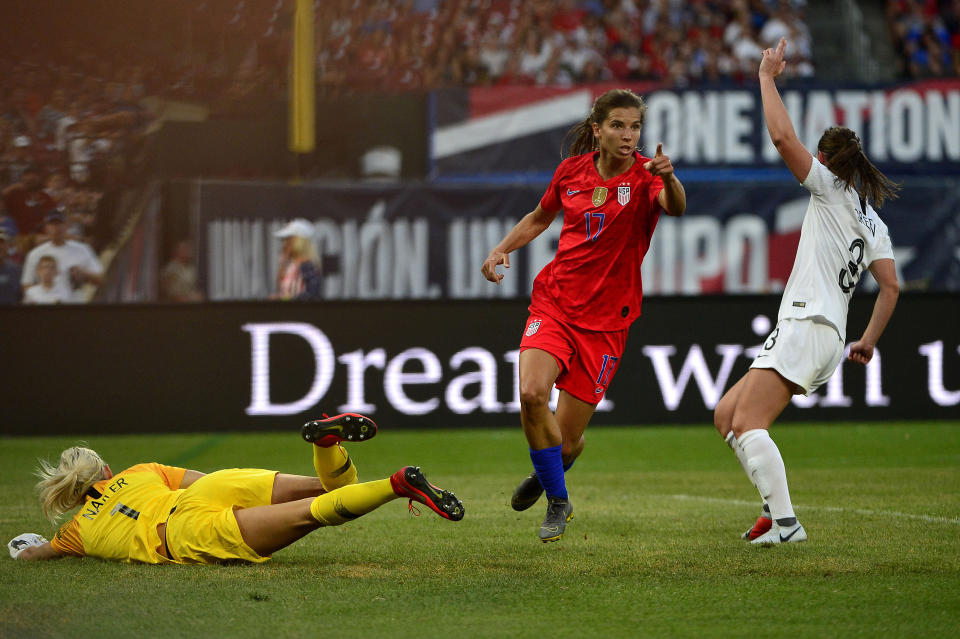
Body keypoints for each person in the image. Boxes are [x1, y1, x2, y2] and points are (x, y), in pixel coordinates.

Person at [713, 38, 900, 545]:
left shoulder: (830, 189)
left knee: (749, 422)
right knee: (727, 415)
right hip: (827, 333)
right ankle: (775, 514)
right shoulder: (872, 220)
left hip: (807, 322)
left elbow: (779, 136)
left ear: (823, 159)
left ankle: (786, 523)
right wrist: (867, 340)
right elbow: (891, 286)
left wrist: (767, 77)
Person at [481, 88, 686, 542]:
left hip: (608, 322)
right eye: (618, 125)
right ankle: (558, 501)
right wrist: (501, 249)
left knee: (567, 442)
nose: (628, 135)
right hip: (554, 303)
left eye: (635, 126)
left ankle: (547, 473)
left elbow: (675, 207)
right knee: (533, 394)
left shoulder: (647, 177)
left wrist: (670, 178)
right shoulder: (571, 172)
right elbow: (540, 216)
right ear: (597, 129)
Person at [8, 414, 464, 564]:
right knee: (323, 489)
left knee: (315, 513)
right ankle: (328, 445)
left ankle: (397, 485)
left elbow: (33, 554)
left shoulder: (77, 533)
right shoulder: (142, 470)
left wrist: (22, 547)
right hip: (207, 492)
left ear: (70, 494)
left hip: (183, 532)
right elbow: (206, 484)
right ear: (106, 469)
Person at [21, 210, 103, 303]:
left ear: (67, 226)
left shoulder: (83, 249)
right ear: (46, 227)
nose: (57, 228)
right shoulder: (35, 254)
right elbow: (27, 285)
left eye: (60, 224)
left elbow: (101, 280)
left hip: (75, 306)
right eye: (53, 224)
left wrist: (83, 273)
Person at [274, 218, 322, 300]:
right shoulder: (290, 265)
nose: (285, 244)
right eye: (284, 240)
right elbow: (284, 292)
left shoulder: (307, 266)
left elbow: (313, 295)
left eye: (288, 239)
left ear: (299, 241)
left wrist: (286, 299)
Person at [0, 229, 22, 304]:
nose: (0, 247)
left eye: (2, 243)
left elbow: (20, 296)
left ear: (8, 247)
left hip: (11, 313)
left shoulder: (16, 269)